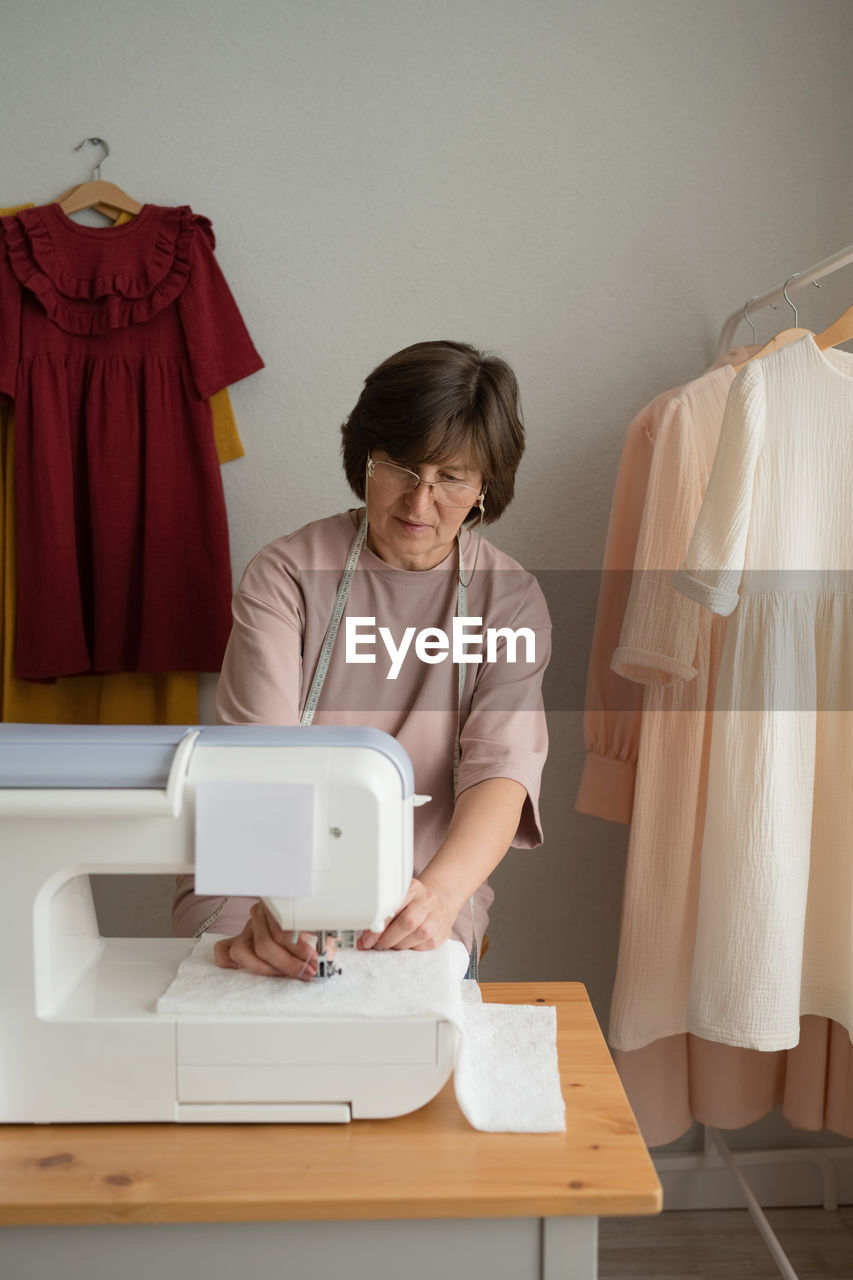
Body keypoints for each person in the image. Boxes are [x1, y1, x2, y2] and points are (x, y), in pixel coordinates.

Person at [172, 340, 551, 979]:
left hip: (424, 880)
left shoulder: (508, 601)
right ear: (365, 457)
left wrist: (437, 898)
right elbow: (261, 759)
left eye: (451, 478)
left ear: (485, 486)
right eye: (400, 466)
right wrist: (286, 904)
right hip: (263, 868)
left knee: (402, 1036)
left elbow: (502, 772)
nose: (419, 502)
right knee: (251, 1005)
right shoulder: (286, 575)